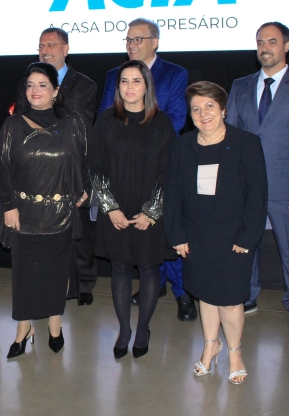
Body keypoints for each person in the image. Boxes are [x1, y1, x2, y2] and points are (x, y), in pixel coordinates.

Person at [164, 81, 268, 385]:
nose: (203, 113)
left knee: (231, 300)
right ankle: (211, 346)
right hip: (196, 236)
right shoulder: (182, 146)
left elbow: (257, 196)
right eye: (196, 109)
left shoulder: (246, 143)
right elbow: (173, 194)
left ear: (223, 109)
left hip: (233, 238)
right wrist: (176, 235)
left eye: (209, 106)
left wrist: (247, 237)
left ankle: (235, 352)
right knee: (205, 295)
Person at [226, 22, 289, 331]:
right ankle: (248, 295)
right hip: (245, 186)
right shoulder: (240, 86)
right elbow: (230, 138)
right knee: (246, 245)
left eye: (271, 41)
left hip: (286, 187)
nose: (265, 48)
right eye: (260, 42)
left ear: (286, 46)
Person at [99, 18, 195, 322]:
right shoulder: (114, 75)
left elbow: (177, 118)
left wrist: (149, 140)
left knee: (164, 237)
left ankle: (182, 293)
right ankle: (154, 289)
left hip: (157, 163)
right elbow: (105, 117)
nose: (132, 45)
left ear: (155, 42)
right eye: (128, 39)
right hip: (122, 170)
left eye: (138, 39)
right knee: (134, 256)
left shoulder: (175, 73)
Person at [0, 62, 89, 359]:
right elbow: (0, 168)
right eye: (30, 85)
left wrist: (85, 188)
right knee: (24, 276)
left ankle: (55, 325)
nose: (35, 90)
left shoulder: (73, 122)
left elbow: (86, 160)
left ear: (56, 91)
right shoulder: (13, 125)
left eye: (42, 85)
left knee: (56, 274)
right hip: (23, 215)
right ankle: (24, 329)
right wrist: (8, 206)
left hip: (61, 213)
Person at [91, 60, 175, 359]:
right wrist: (110, 207)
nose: (129, 87)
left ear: (147, 86)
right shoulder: (105, 121)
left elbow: (168, 171)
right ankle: (124, 330)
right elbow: (96, 167)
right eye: (124, 81)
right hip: (115, 209)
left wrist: (152, 211)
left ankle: (142, 330)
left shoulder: (161, 123)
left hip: (150, 212)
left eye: (136, 81)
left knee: (150, 268)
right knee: (120, 267)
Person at [15, 27, 98, 305]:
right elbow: (22, 122)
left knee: (78, 230)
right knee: (42, 228)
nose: (45, 50)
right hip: (36, 167)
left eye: (51, 44)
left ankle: (84, 284)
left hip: (71, 166)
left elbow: (79, 125)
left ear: (66, 49)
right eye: (41, 45)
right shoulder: (26, 83)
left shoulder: (84, 85)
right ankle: (48, 280)